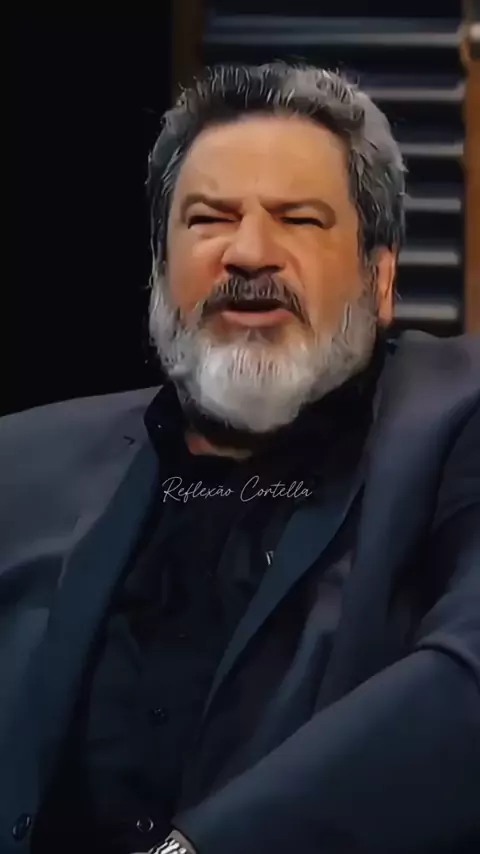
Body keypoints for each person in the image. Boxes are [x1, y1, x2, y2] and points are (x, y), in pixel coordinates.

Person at [1, 62, 479, 854]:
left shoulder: (455, 421)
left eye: (299, 219)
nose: (249, 253)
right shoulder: (21, 462)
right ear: (160, 272)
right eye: (209, 219)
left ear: (381, 277)